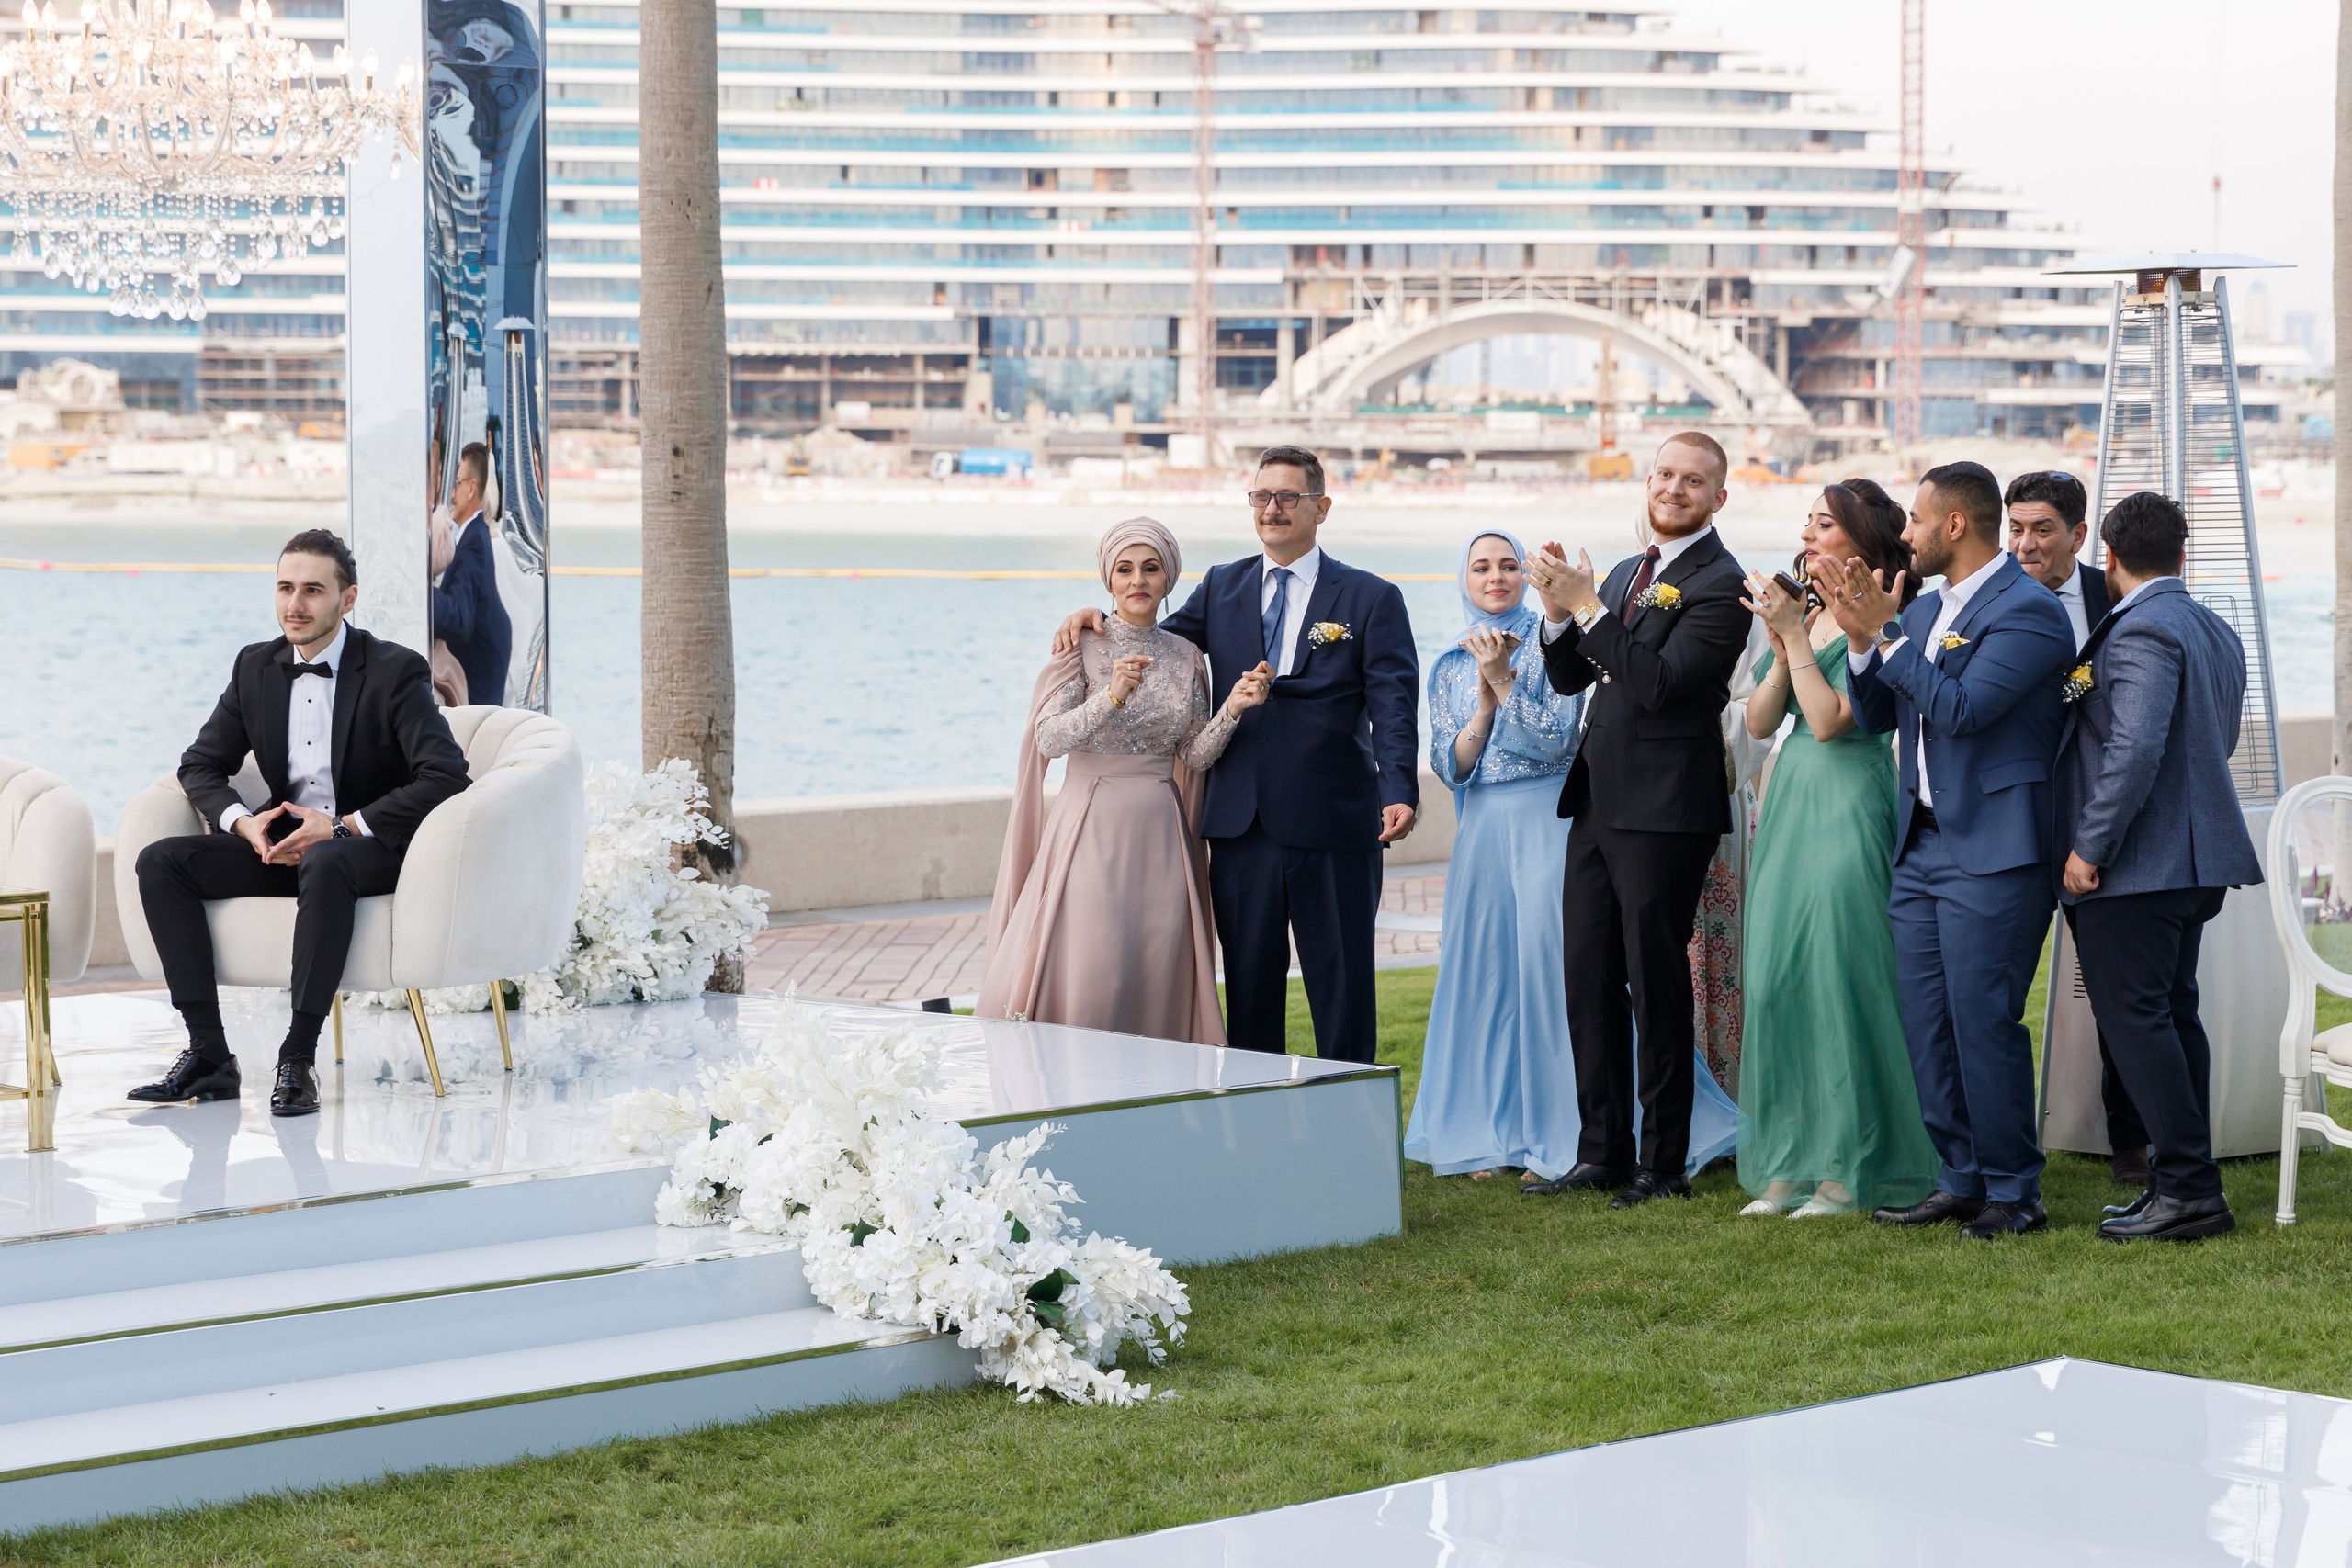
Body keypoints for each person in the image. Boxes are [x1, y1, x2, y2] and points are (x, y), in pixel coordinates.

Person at [1052, 446, 1419, 1062]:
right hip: (1241, 827)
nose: (1272, 509)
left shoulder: (1371, 598)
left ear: (1321, 507)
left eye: (1288, 497)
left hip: (1336, 822)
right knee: (1248, 994)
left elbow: (1394, 705)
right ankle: (1259, 1136)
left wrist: (1400, 788)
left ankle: (1351, 1141)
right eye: (1261, 497)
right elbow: (1161, 642)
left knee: (1344, 990)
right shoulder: (1224, 584)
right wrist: (1100, 615)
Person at [1405, 531, 1740, 1184]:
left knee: (1556, 976)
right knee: (1490, 979)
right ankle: (1495, 1125)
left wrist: (1503, 681)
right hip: (1483, 833)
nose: (1496, 576)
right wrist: (1480, 701)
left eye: (1509, 564)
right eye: (1480, 566)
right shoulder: (1449, 658)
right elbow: (1449, 762)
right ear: (1463, 578)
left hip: (1546, 823)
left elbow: (1554, 742)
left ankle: (1564, 1129)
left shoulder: (1547, 635)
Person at [1815, 460, 2075, 1239]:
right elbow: (1876, 712)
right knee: (1926, 1021)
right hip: (1921, 846)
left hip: (1995, 850)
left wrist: (1883, 636)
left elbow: (1961, 709)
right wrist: (1865, 644)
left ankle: (2014, 1190)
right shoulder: (1924, 614)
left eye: (1916, 521)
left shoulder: (2029, 611)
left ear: (1955, 526)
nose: (1905, 534)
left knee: (1982, 1020)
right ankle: (1959, 1176)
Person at [130, 530, 472, 1117]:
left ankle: (298, 1057)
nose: (296, 604)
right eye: (286, 588)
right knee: (162, 862)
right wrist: (245, 825)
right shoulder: (255, 666)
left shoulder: (395, 670)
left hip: (367, 850)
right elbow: (201, 764)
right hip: (285, 847)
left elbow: (446, 775)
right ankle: (209, 1055)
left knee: (326, 856)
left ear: (348, 598)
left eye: (314, 590)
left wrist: (340, 826)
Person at [1520, 433, 1753, 1208]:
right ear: (1648, 480)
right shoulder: (1624, 572)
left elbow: (1661, 684)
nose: (1674, 489)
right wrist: (1557, 616)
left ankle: (1666, 1163)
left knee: (1656, 985)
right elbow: (1568, 678)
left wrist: (1588, 605)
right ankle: (1602, 1150)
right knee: (1587, 977)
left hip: (1665, 810)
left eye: (1694, 481)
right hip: (1596, 799)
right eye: (1664, 474)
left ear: (1719, 497)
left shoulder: (1722, 585)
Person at [2056, 491, 2262, 1244]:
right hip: (2193, 860)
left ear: (2106, 557)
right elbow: (2218, 737)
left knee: (2138, 1017)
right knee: (2174, 1013)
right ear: (2184, 555)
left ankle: (2190, 1190)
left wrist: (2090, 846)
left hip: (2138, 867)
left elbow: (2135, 748)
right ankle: (2183, 1182)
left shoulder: (2138, 628)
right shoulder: (2212, 625)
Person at [979, 518, 1270, 1043]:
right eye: (1125, 569)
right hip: (1090, 823)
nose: (1138, 580)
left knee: (1151, 965)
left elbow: (1192, 755)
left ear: (1168, 580)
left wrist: (1232, 709)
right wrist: (1109, 697)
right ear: (1108, 579)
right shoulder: (1081, 645)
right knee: (1095, 964)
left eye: (1151, 568)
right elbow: (1047, 741)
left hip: (1161, 830)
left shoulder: (1187, 656)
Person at [1735, 481, 1939, 1218]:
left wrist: (1794, 639)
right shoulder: (1809, 612)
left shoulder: (1878, 613)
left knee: (1836, 979)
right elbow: (1763, 721)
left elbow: (1831, 722)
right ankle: (1790, 1158)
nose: (1810, 531)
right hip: (1790, 802)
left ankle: (1850, 1167)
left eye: (1825, 522)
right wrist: (1780, 633)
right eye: (1810, 521)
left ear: (1860, 538)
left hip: (1849, 796)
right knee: (1778, 979)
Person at [2006, 466, 2143, 1187]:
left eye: (2043, 530)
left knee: (2121, 994)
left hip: (2094, 828)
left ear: (2080, 536)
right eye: (2016, 529)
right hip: (2011, 825)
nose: (2026, 544)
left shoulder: (2114, 599)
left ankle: (2131, 1141)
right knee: (1995, 993)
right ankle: (1991, 1139)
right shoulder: (1983, 597)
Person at [429, 441, 514, 706]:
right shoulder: (472, 536)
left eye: (456, 484)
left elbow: (459, 619)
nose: (451, 495)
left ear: (471, 488)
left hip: (478, 679)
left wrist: (417, 590)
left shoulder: (474, 542)